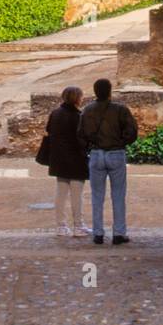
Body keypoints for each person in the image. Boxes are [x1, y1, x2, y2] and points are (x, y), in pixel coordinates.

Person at [78, 78, 138, 245]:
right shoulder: (120, 110)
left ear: (95, 91)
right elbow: (132, 132)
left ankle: (98, 233)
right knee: (118, 195)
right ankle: (119, 233)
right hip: (116, 153)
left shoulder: (87, 111)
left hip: (96, 154)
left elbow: (81, 134)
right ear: (110, 91)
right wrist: (121, 142)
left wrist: (90, 146)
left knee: (97, 196)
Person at [45, 86, 92, 238]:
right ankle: (78, 226)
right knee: (77, 195)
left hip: (59, 158)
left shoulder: (55, 113)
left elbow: (49, 130)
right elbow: (83, 138)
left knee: (61, 194)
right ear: (77, 98)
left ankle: (61, 226)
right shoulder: (78, 116)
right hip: (76, 159)